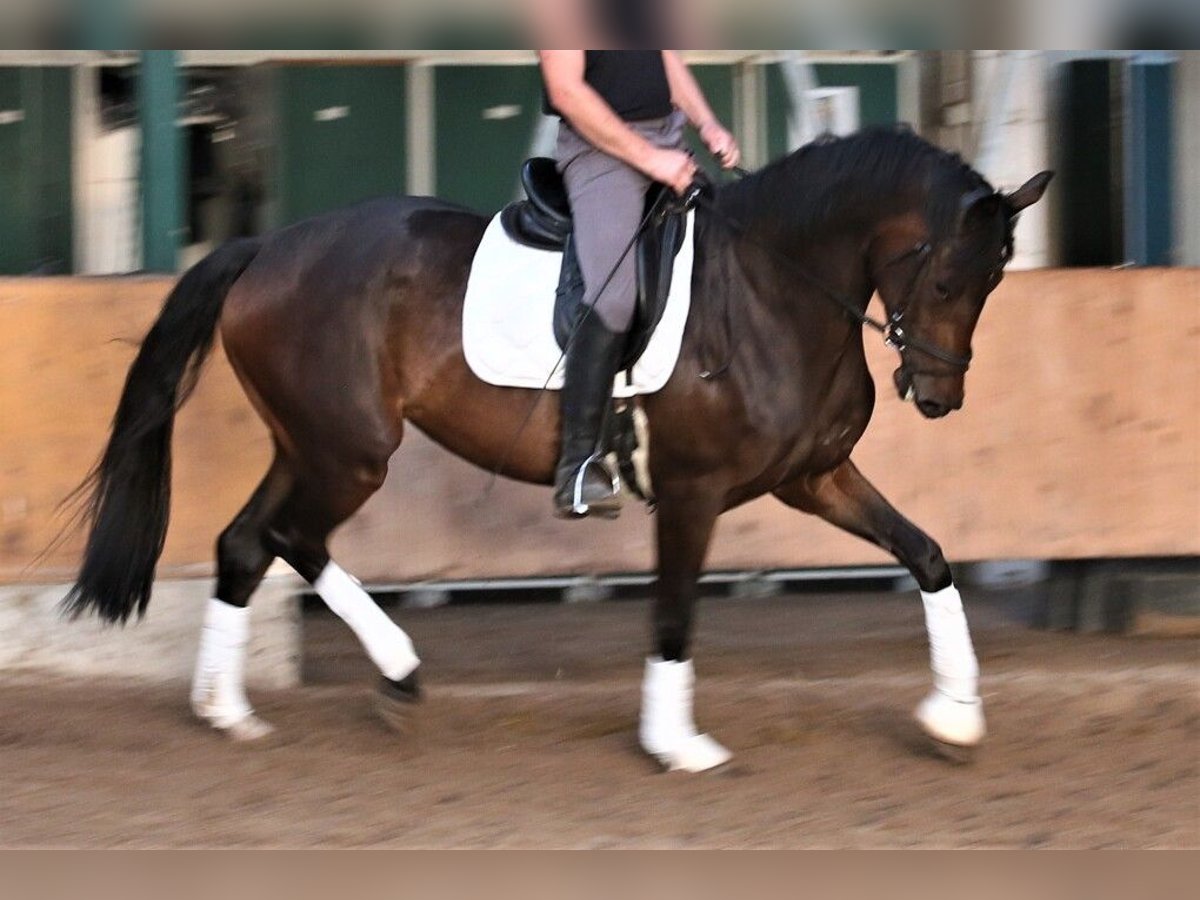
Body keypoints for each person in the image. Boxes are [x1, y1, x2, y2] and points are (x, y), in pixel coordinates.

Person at [540, 49, 741, 519]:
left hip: (668, 139)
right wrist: (651, 160)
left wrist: (707, 123)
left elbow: (664, 60)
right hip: (601, 152)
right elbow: (567, 91)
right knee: (614, 298)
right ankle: (578, 466)